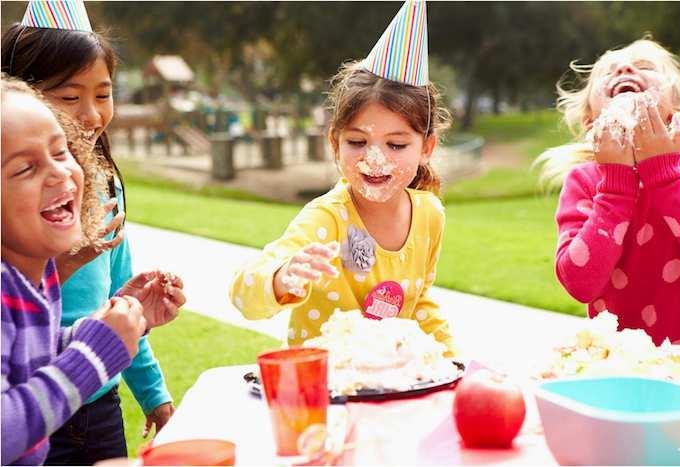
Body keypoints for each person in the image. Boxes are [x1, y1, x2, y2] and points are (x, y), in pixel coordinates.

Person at [1, 1, 185, 463]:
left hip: (96, 402)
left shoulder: (102, 191)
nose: (90, 114)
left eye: (61, 152)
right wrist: (66, 267)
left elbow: (37, 337)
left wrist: (129, 316)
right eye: (67, 98)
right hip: (53, 402)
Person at [230, 0, 456, 356]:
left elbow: (420, 303)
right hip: (328, 391)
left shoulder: (429, 215)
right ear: (334, 142)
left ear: (427, 147)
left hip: (393, 383)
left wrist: (452, 362)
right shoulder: (328, 220)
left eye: (396, 145)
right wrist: (282, 276)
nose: (375, 159)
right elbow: (243, 294)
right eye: (357, 141)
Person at [0, 75, 145, 466]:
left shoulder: (34, 276)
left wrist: (109, 329)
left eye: (61, 151)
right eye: (25, 168)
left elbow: (26, 362)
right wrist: (93, 356)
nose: (60, 173)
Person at [536, 38, 680, 345]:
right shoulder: (584, 182)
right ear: (590, 121)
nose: (624, 69)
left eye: (645, 67)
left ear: (674, 110)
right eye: (608, 73)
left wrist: (664, 178)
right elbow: (580, 284)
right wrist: (614, 188)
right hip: (623, 366)